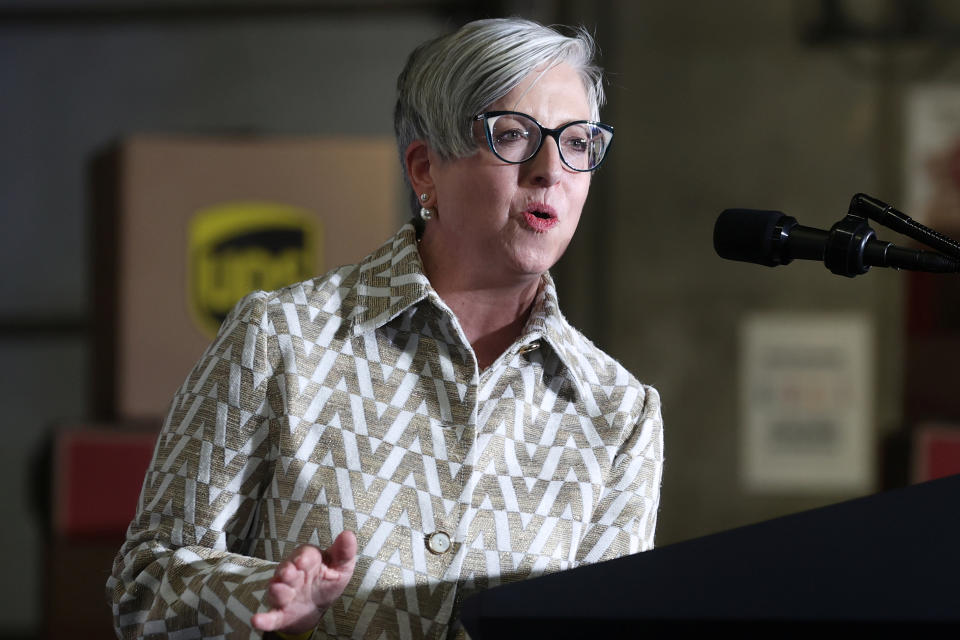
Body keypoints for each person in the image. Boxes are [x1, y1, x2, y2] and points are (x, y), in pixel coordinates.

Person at [107, 17, 663, 640]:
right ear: (425, 169)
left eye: (579, 143)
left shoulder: (617, 413)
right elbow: (144, 585)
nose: (550, 170)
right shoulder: (283, 339)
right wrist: (260, 600)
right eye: (513, 135)